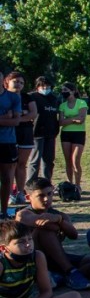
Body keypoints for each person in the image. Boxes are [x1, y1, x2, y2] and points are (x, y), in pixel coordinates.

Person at [0, 220, 81, 298]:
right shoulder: (1, 264)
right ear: (4, 248)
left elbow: (46, 291)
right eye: (20, 242)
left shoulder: (37, 256)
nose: (28, 245)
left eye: (29, 240)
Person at [16, 178, 90, 290]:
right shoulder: (23, 214)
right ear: (28, 198)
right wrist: (59, 223)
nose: (46, 199)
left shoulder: (59, 215)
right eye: (41, 196)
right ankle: (69, 271)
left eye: (49, 193)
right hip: (32, 260)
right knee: (44, 231)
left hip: (55, 258)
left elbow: (73, 235)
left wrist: (59, 220)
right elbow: (45, 225)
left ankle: (60, 276)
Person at [27, 76, 60, 184]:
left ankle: (46, 183)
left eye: (48, 86)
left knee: (48, 161)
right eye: (43, 86)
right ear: (37, 86)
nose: (45, 88)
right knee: (35, 161)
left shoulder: (54, 99)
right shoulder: (32, 97)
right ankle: (31, 184)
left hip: (51, 133)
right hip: (36, 133)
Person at [57, 82, 87, 195]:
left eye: (66, 90)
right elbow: (60, 122)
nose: (64, 92)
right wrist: (73, 119)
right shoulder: (62, 105)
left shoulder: (81, 103)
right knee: (68, 161)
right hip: (65, 134)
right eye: (62, 90)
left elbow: (81, 119)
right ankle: (70, 184)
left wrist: (68, 119)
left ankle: (78, 185)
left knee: (75, 160)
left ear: (73, 91)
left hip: (79, 134)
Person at [11, 73, 35, 206]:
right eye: (15, 81)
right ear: (7, 82)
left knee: (21, 164)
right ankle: (9, 193)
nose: (18, 84)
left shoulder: (27, 97)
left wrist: (16, 117)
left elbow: (33, 113)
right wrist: (20, 115)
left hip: (25, 132)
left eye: (21, 82)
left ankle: (20, 192)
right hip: (8, 133)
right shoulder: (4, 97)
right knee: (9, 165)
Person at [0, 73, 22, 216]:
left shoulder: (13, 97)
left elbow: (16, 121)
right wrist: (5, 117)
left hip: (7, 141)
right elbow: (10, 118)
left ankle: (4, 211)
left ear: (3, 80)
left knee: (7, 178)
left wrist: (10, 118)